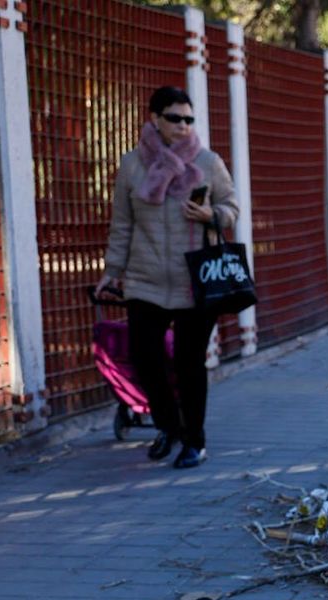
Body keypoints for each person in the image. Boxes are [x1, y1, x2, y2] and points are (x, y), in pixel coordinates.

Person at [95, 86, 237, 469]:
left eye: (189, 119)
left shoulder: (207, 162)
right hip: (145, 279)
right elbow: (122, 224)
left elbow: (232, 206)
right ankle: (169, 426)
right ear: (155, 119)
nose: (183, 126)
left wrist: (212, 216)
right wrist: (112, 272)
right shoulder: (132, 165)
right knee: (145, 358)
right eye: (175, 118)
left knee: (191, 364)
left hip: (196, 280)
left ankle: (195, 441)